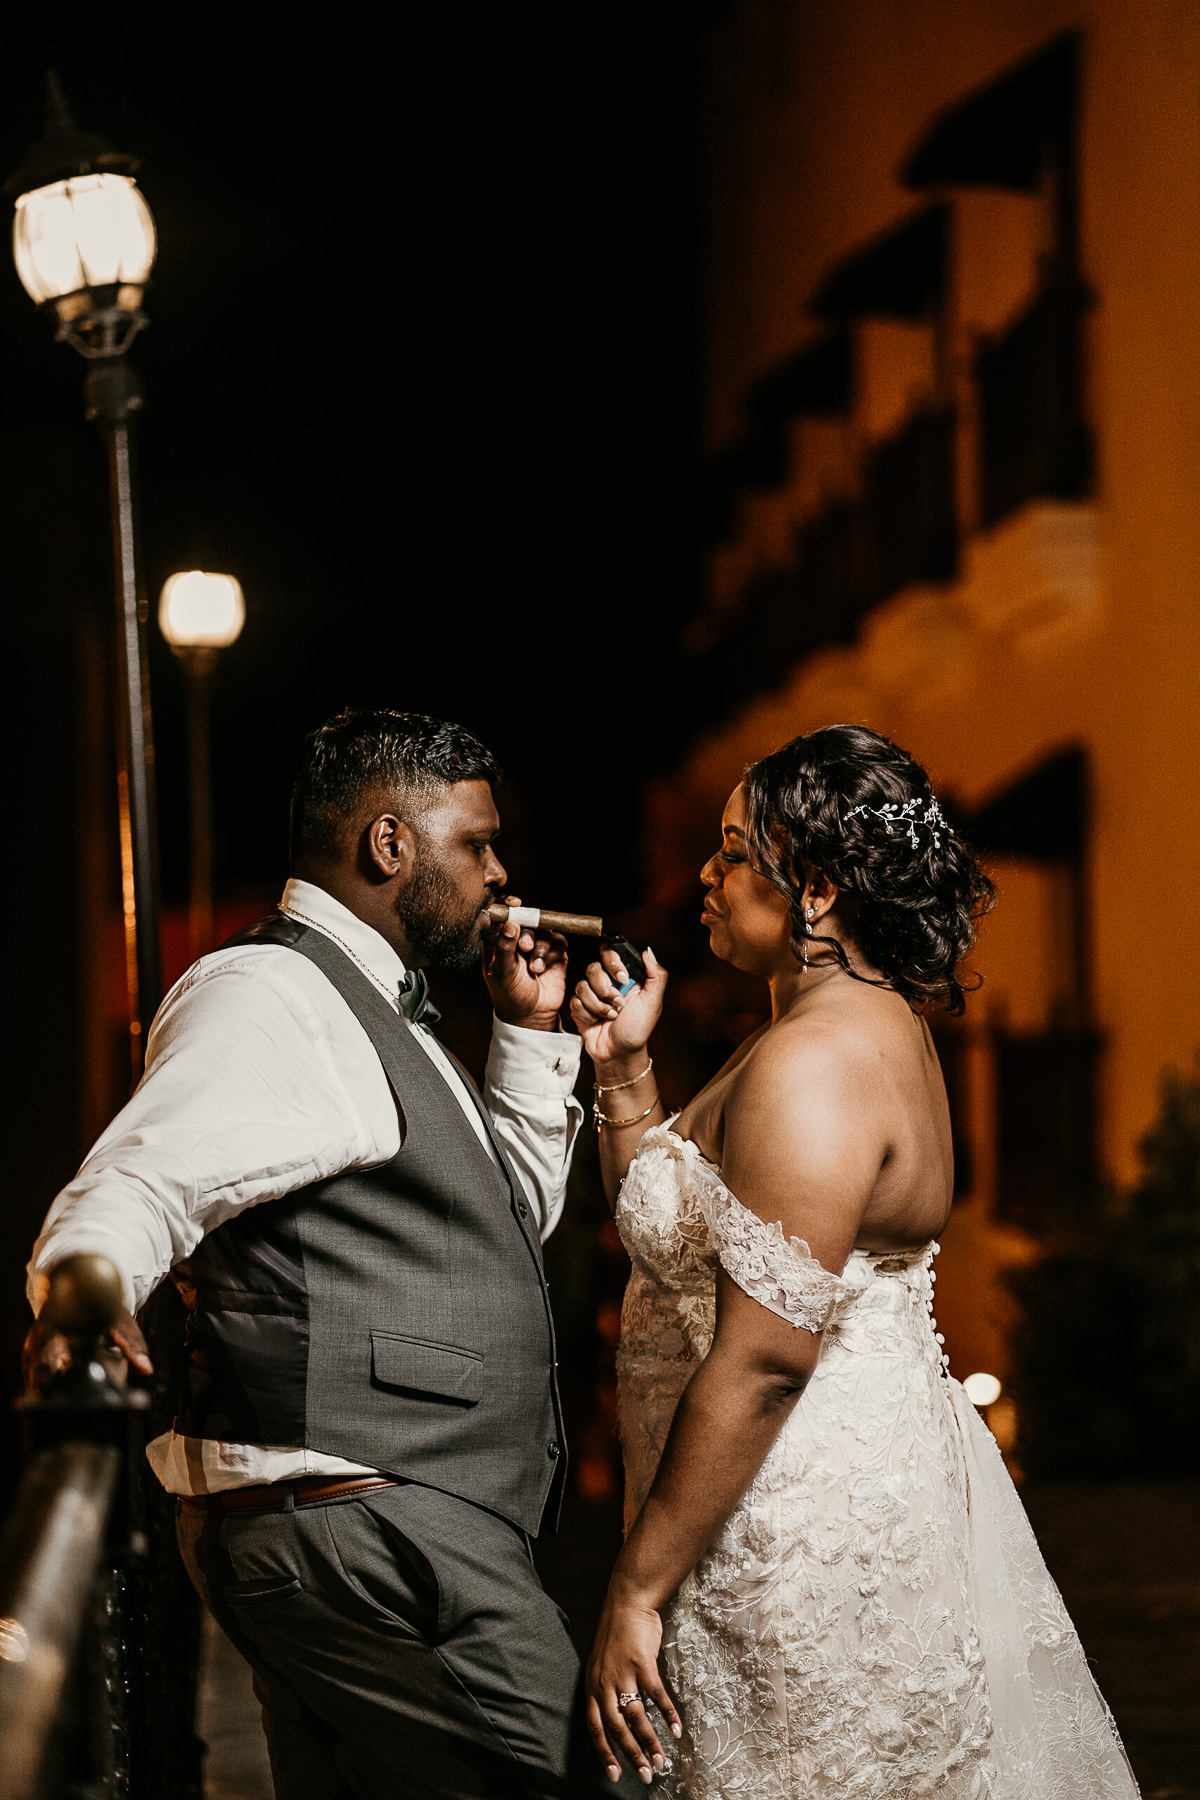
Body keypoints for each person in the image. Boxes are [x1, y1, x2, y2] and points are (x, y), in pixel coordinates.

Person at [26, 708, 646, 1800]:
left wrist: (527, 1033)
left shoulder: (375, 1000)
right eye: (477, 843)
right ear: (388, 844)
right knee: (577, 1781)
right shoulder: (269, 994)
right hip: (361, 1523)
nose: (502, 875)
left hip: (368, 1518)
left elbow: (494, 1223)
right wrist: (84, 1299)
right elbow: (139, 1175)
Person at [570, 724, 1140, 1798]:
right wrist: (626, 1071)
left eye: (733, 852)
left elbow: (766, 1359)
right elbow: (685, 1245)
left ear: (818, 889)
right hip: (775, 1496)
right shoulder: (836, 1029)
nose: (706, 873)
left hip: (790, 1524)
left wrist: (637, 1589)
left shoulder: (813, 1065)